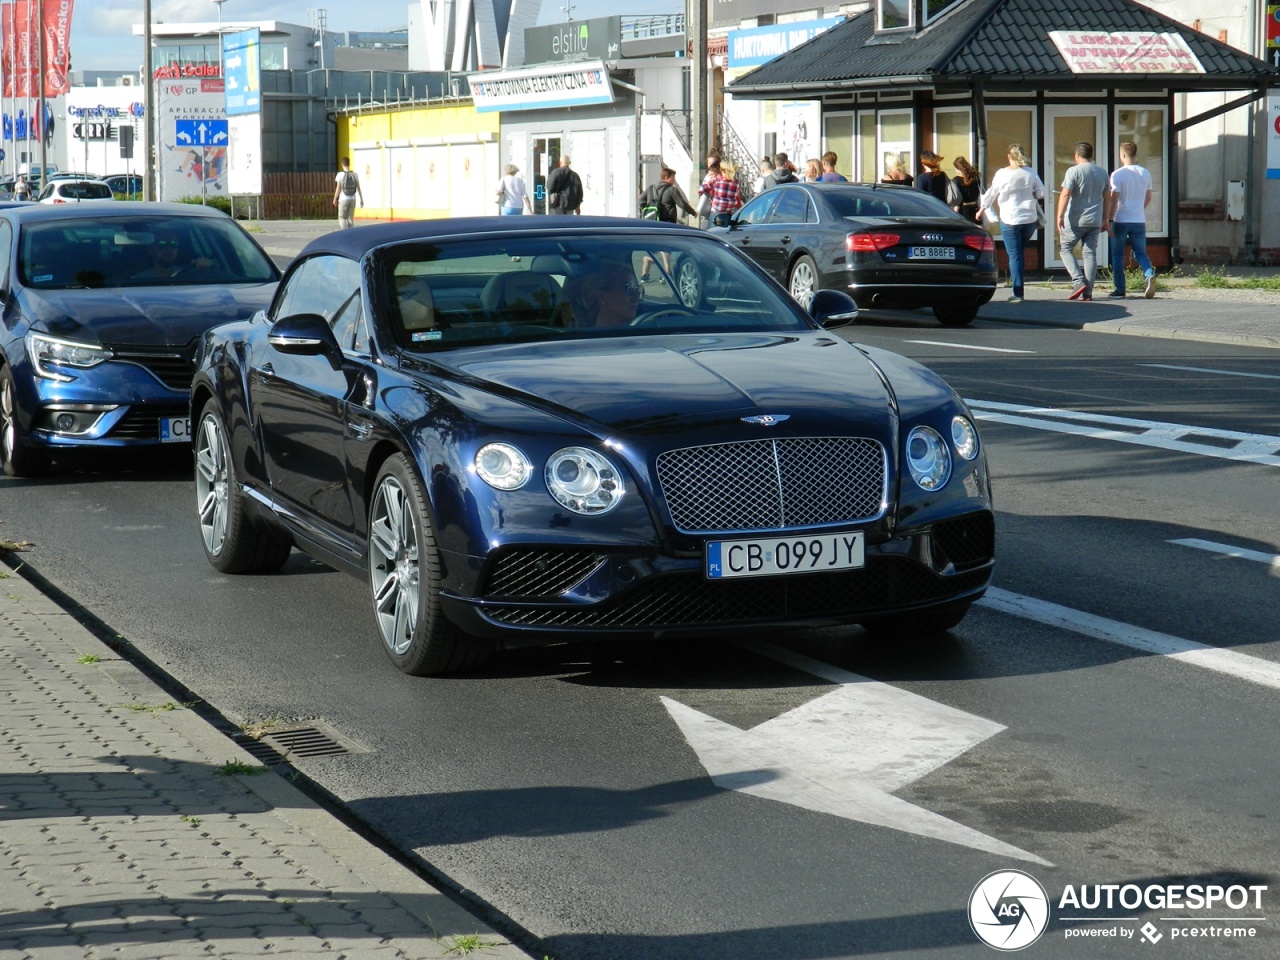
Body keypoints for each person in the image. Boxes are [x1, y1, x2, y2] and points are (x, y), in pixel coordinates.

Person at [978, 143, 1045, 304]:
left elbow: (991, 193)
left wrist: (981, 210)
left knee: (1014, 255)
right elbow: (1040, 193)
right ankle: (1018, 287)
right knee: (1019, 253)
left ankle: (1018, 292)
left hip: (1010, 218)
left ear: (1009, 156)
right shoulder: (1030, 173)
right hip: (1029, 219)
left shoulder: (1002, 174)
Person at [1056, 141, 1111, 301]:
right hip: (1095, 220)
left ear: (1077, 155)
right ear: (1090, 155)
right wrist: (1105, 219)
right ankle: (1088, 293)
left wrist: (1059, 216)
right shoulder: (1102, 173)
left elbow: (1065, 194)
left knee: (1065, 248)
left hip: (1075, 220)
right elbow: (1107, 197)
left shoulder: (1073, 171)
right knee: (1089, 254)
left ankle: (1078, 281)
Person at [1105, 141, 1157, 299]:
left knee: (1117, 255)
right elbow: (1148, 197)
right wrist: (1139, 209)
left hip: (1120, 219)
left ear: (1122, 155)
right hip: (1138, 220)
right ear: (1136, 155)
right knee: (1141, 252)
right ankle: (1149, 273)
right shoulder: (1145, 173)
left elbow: (1114, 200)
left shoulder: (1117, 175)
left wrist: (1109, 219)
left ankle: (1120, 290)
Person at [638, 166, 698, 282]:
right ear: (666, 178)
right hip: (667, 223)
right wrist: (692, 212)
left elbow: (641, 200)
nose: (674, 180)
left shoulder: (651, 188)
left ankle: (645, 273)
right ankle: (667, 274)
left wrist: (648, 211)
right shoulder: (672, 190)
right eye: (673, 178)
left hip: (653, 223)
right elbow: (682, 204)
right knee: (666, 248)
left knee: (656, 248)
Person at [563, 259, 643, 329]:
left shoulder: (642, 334)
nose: (636, 298)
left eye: (637, 290)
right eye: (628, 289)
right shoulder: (580, 341)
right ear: (600, 296)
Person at [130, 230, 211, 281]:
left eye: (173, 244)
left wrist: (205, 270)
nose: (168, 249)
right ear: (150, 250)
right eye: (161, 244)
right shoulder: (138, 280)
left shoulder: (190, 274)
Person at [332, 157, 363, 229]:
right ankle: (351, 233)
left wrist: (335, 198)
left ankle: (345, 232)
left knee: (342, 217)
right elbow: (358, 187)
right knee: (350, 218)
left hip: (343, 198)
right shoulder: (355, 174)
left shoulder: (340, 175)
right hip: (353, 198)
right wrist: (361, 199)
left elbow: (338, 188)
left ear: (342, 164)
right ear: (349, 163)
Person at [952, 157, 983, 222]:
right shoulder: (976, 178)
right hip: (975, 209)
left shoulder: (956, 180)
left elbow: (957, 199)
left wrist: (954, 215)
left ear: (958, 169)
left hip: (963, 210)